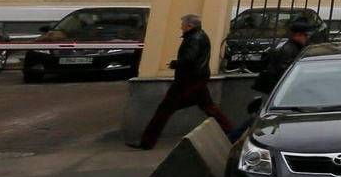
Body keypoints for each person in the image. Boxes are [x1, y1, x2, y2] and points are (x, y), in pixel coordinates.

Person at [129, 14, 233, 149]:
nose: (181, 27)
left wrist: (176, 63)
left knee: (164, 110)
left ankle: (147, 142)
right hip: (197, 79)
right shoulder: (200, 35)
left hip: (187, 81)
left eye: (183, 24)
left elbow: (190, 58)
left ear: (190, 26)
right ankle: (232, 131)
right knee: (209, 107)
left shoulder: (194, 38)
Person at [251, 20, 311, 100]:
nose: (307, 38)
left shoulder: (294, 46)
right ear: (298, 35)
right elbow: (286, 72)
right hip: (284, 91)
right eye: (306, 35)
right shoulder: (289, 50)